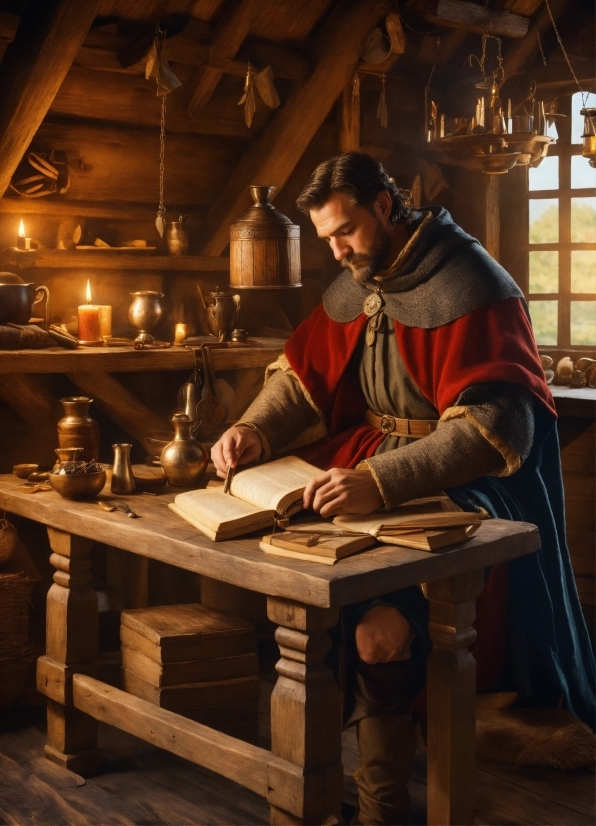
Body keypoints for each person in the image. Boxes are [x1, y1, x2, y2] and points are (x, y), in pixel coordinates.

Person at [211, 152, 595, 825]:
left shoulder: (474, 281)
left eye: (346, 231)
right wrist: (252, 430)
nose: (336, 250)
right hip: (357, 471)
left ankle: (383, 810)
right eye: (326, 237)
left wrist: (380, 482)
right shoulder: (363, 274)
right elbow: (303, 377)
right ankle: (317, 794)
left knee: (381, 633)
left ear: (385, 207)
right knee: (308, 609)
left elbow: (493, 430)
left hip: (461, 485)